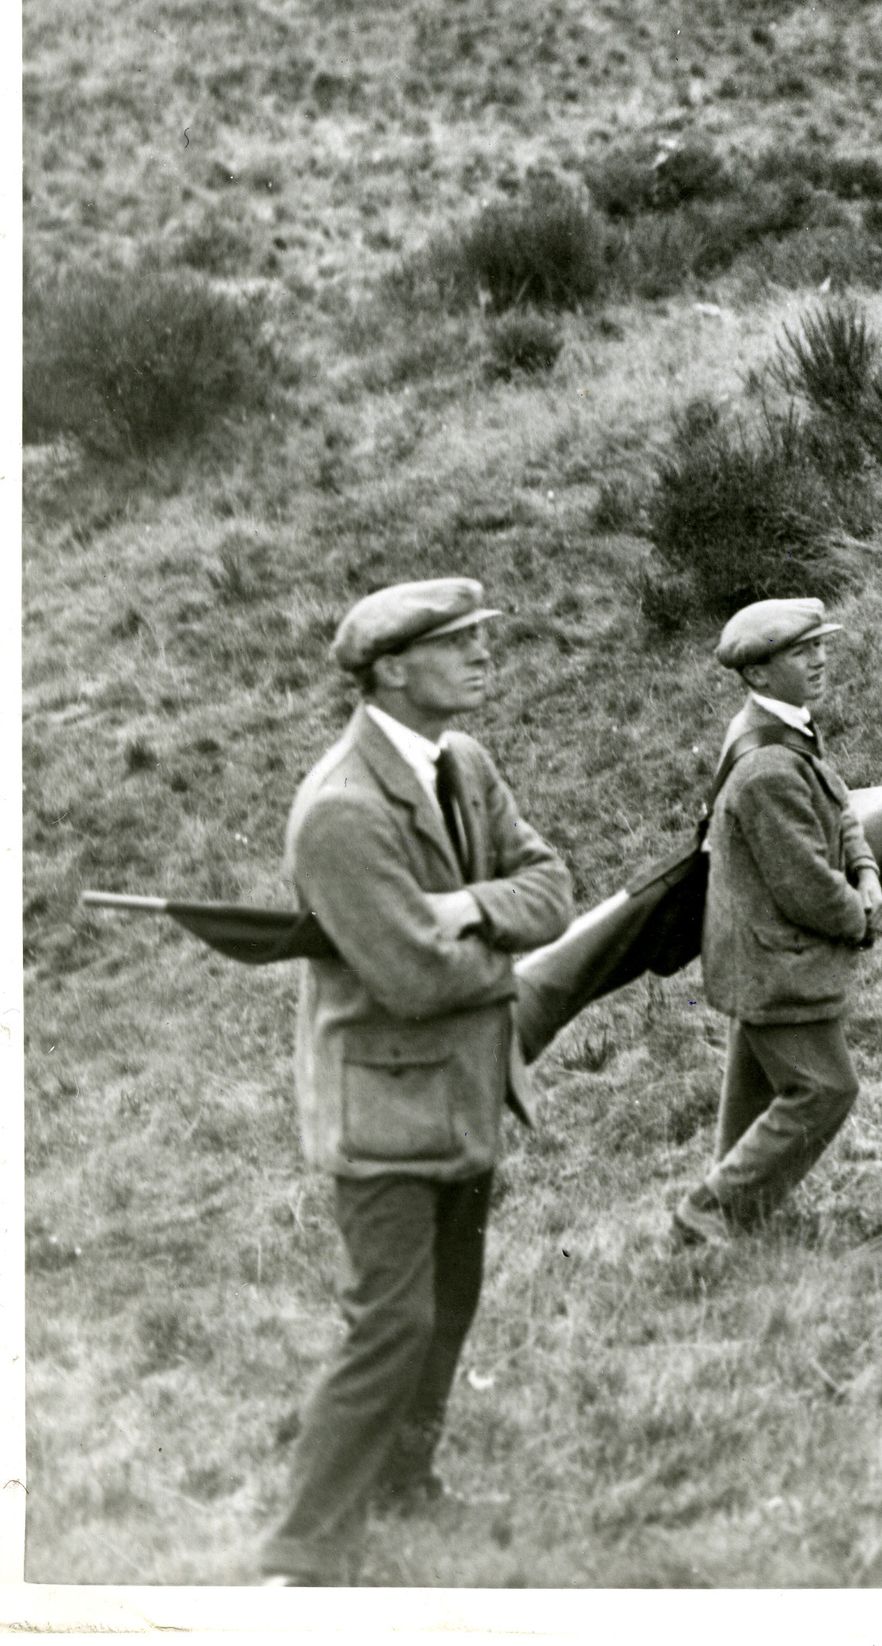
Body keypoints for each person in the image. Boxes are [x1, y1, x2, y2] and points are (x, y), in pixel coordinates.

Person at [262, 578, 574, 1586]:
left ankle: (402, 1481)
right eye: (460, 642)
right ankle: (305, 1549)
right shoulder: (341, 810)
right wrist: (501, 956)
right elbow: (409, 975)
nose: (485, 654)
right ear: (392, 668)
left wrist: (469, 906)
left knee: (451, 1306)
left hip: (465, 1091)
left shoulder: (463, 762)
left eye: (484, 636)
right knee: (390, 1323)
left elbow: (552, 887)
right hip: (387, 1106)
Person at [673, 597, 882, 1248]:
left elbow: (840, 803)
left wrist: (867, 866)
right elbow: (806, 889)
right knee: (825, 1090)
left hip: (761, 955)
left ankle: (737, 1213)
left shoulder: (783, 727)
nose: (820, 659)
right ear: (759, 674)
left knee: (756, 1094)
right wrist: (862, 916)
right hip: (776, 958)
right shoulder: (767, 763)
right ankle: (711, 1212)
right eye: (801, 652)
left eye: (821, 645)